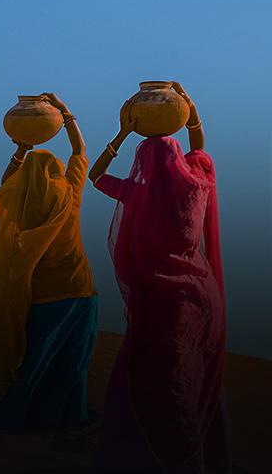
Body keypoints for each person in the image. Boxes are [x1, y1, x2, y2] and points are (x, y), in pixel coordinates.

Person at [90, 82, 230, 472]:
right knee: (199, 373)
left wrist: (122, 132)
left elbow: (94, 175)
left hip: (166, 302)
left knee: (168, 382)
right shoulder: (197, 183)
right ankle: (204, 452)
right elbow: (199, 146)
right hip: (203, 294)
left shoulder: (136, 193)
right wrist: (190, 108)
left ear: (143, 162)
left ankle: (177, 460)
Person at [0, 93, 98, 429]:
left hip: (43, 297)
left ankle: (23, 412)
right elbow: (79, 152)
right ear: (55, 173)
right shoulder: (69, 194)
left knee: (36, 361)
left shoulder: (20, 206)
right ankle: (72, 417)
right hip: (79, 290)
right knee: (74, 360)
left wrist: (21, 148)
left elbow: (5, 183)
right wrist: (65, 112)